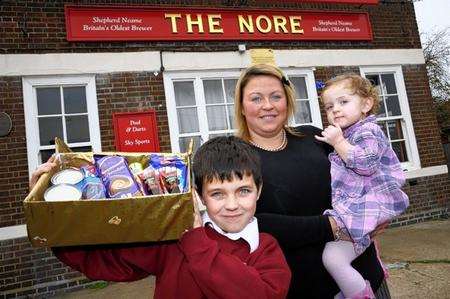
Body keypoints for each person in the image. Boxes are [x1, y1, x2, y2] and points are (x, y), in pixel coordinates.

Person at [30, 136, 291, 299]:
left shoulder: (267, 249)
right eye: (218, 194)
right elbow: (103, 262)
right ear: (199, 196)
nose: (232, 205)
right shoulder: (173, 240)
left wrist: (197, 243)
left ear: (259, 191)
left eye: (243, 191)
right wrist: (50, 215)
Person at [234, 64, 392, 298]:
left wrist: (377, 212)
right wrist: (334, 226)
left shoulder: (316, 137)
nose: (267, 105)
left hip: (365, 277)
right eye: (256, 98)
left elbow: (365, 172)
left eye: (276, 96)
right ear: (242, 107)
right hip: (303, 288)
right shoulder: (235, 158)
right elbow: (248, 223)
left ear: (287, 102)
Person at [315, 74, 409, 298]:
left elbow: (366, 164)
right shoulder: (350, 133)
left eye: (343, 102)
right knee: (333, 257)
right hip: (359, 205)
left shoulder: (368, 131)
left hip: (369, 204)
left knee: (333, 258)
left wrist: (338, 142)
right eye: (329, 106)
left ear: (366, 104)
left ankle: (359, 293)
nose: (335, 110)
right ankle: (355, 289)